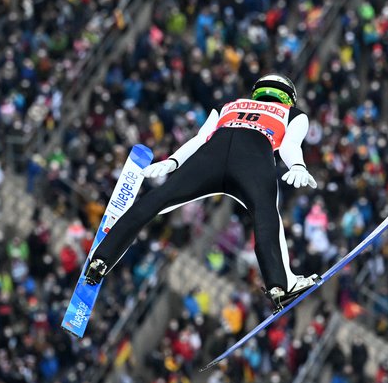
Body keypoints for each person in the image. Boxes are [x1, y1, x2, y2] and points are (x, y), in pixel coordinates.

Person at [84, 74, 319, 311]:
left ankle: (101, 259)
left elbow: (200, 139)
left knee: (158, 200)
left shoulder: (228, 105)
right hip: (253, 156)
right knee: (266, 215)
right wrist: (297, 165)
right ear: (289, 96)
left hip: (211, 155)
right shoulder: (294, 114)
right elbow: (290, 146)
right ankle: (280, 284)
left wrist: (173, 161)